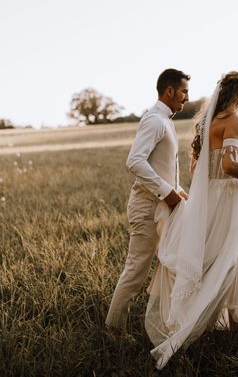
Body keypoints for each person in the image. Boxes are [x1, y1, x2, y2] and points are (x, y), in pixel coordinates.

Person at [145, 71, 238, 369]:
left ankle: (234, 324)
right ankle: (217, 323)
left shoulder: (209, 120)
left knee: (227, 256)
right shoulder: (234, 117)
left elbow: (202, 168)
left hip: (210, 197)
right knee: (229, 257)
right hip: (228, 198)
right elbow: (229, 164)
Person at [105, 68, 190, 337]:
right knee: (136, 271)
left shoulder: (166, 120)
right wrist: (168, 192)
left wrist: (179, 191)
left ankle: (174, 324)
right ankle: (113, 329)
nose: (187, 97)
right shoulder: (154, 119)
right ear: (169, 91)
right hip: (146, 207)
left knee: (174, 264)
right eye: (184, 91)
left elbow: (161, 165)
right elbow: (135, 162)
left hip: (163, 205)